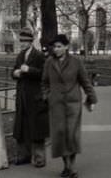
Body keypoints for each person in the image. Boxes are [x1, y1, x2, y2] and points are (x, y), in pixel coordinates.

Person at [42, 34, 97, 178]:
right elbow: (44, 82)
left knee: (71, 135)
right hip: (56, 105)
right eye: (54, 47)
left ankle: (71, 167)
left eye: (59, 46)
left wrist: (91, 99)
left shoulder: (76, 62)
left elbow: (85, 82)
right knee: (60, 135)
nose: (56, 49)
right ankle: (66, 166)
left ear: (66, 47)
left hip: (73, 104)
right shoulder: (49, 62)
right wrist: (47, 96)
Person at [11, 27, 48, 168]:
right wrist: (15, 73)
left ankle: (39, 158)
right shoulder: (20, 55)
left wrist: (30, 70)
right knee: (22, 127)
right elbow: (13, 70)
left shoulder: (39, 56)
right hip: (22, 97)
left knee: (37, 128)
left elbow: (44, 74)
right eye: (21, 41)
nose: (23, 43)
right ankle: (24, 155)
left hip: (35, 97)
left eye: (25, 41)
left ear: (31, 42)